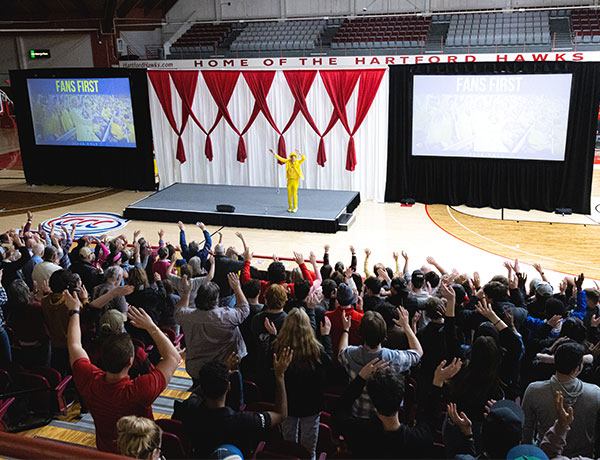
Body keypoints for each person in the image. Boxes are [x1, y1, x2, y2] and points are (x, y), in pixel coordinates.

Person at [66, 290, 180, 454]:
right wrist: (151, 326)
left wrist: (74, 311)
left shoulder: (89, 380)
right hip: (140, 451)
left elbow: (75, 345)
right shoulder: (140, 391)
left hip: (105, 451)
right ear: (130, 362)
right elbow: (174, 357)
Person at [173, 348, 293, 458]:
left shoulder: (190, 409)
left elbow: (195, 394)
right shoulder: (245, 421)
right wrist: (279, 376)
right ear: (228, 387)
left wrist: (219, 375)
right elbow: (281, 414)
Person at [333, 356, 462, 459]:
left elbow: (339, 410)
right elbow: (430, 421)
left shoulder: (357, 432)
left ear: (372, 399)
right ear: (401, 399)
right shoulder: (418, 439)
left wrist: (360, 378)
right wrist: (437, 382)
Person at [338, 307, 423, 419]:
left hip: (358, 415)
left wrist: (346, 330)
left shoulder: (350, 354)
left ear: (360, 333)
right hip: (386, 420)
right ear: (384, 334)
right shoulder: (393, 358)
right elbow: (418, 353)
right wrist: (406, 326)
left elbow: (341, 352)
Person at [272, 308, 333, 459]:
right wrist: (326, 336)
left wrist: (273, 335)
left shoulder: (277, 348)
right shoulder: (316, 351)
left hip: (287, 404)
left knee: (289, 442)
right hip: (311, 405)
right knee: (309, 446)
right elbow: (329, 363)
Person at [522, 341, 600, 458]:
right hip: (584, 456)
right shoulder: (595, 393)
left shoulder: (534, 390)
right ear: (577, 368)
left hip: (545, 455)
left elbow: (526, 430)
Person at [175, 272, 249, 387]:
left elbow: (179, 310)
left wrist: (187, 291)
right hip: (226, 368)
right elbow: (244, 309)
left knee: (201, 398)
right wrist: (237, 288)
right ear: (216, 300)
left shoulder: (187, 316)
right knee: (233, 400)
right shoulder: (227, 316)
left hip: (197, 370)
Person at [270, 148, 305, 213]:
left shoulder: (298, 162)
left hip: (295, 180)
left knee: (294, 194)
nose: (293, 158)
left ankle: (295, 207)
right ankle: (290, 206)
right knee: (289, 194)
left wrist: (299, 153)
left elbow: (304, 158)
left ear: (295, 157)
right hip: (289, 180)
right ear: (290, 157)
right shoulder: (288, 161)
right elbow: (281, 159)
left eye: (294, 157)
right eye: (292, 157)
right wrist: (274, 153)